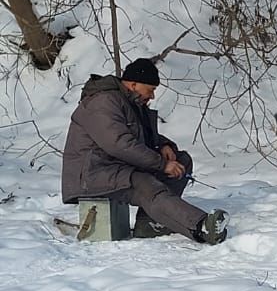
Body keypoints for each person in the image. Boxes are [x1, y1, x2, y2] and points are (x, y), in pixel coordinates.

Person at [61, 58, 228, 244]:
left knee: (181, 161)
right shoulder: (103, 102)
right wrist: (162, 164)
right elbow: (120, 144)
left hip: (117, 168)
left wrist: (164, 147)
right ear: (133, 84)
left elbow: (142, 138)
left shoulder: (129, 102)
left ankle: (150, 223)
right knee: (146, 185)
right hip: (94, 174)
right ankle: (202, 226)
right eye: (151, 90)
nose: (153, 96)